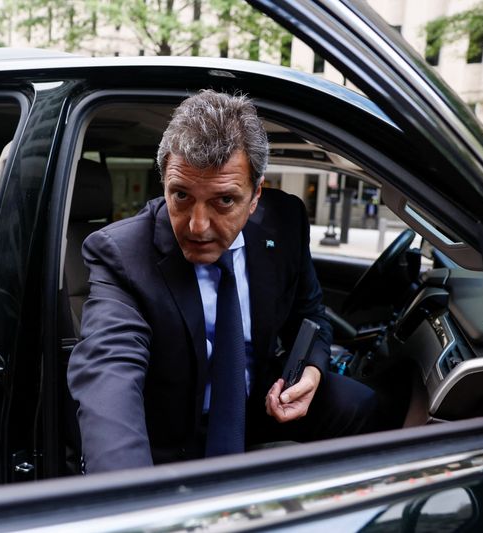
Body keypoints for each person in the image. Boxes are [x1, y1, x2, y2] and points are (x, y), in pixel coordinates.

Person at [68, 90, 376, 474]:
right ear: (164, 179)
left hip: (259, 404)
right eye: (181, 196)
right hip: (171, 434)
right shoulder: (122, 254)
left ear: (255, 196)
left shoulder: (285, 222)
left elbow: (310, 313)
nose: (198, 226)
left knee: (361, 407)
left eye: (223, 201)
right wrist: (132, 500)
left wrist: (310, 372)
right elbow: (109, 375)